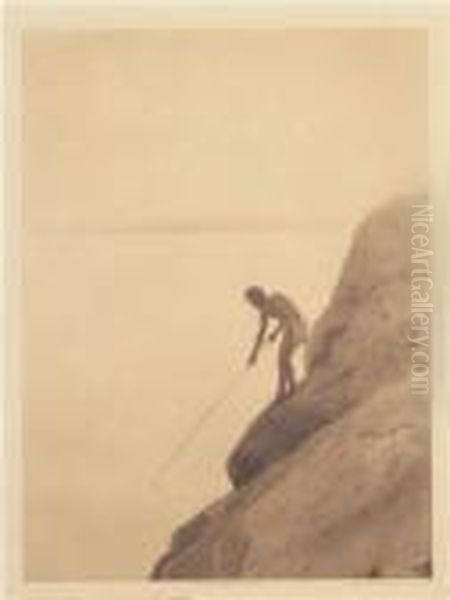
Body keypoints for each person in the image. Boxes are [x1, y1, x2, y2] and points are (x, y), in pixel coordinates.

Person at [245, 285, 307, 401]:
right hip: (290, 327)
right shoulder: (264, 310)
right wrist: (254, 354)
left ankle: (282, 391)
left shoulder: (275, 299)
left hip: (296, 325)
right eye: (252, 303)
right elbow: (261, 332)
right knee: (284, 359)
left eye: (253, 301)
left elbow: (289, 315)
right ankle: (291, 387)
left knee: (282, 358)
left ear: (259, 296)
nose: (253, 305)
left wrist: (276, 332)